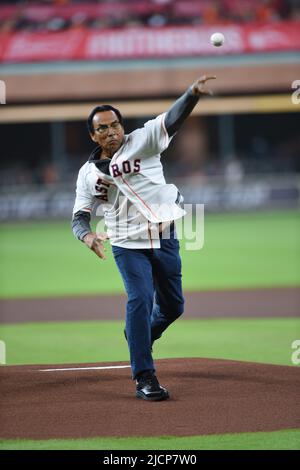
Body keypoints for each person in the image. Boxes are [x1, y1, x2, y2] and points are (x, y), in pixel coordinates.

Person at [72, 75, 216, 401]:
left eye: (115, 124)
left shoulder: (144, 140)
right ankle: (144, 377)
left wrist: (192, 93)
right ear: (93, 134)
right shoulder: (88, 174)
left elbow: (173, 118)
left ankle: (140, 336)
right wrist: (87, 236)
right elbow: (80, 215)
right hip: (126, 244)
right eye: (103, 128)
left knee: (174, 307)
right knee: (139, 299)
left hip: (165, 236)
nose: (112, 131)